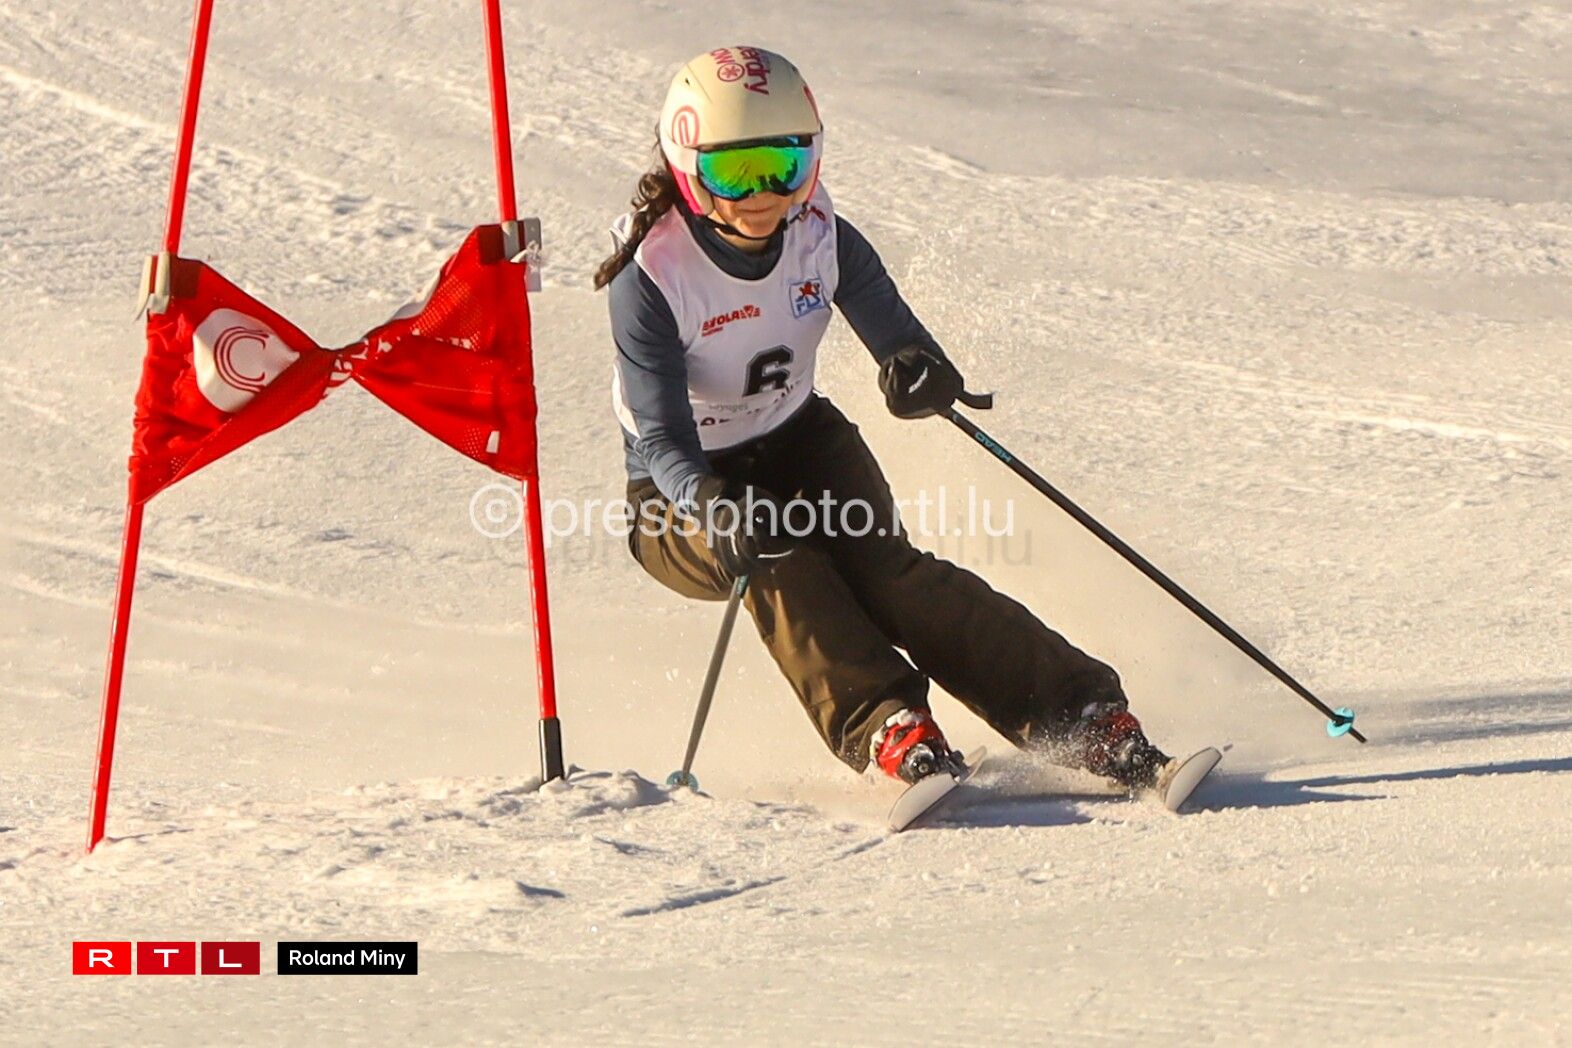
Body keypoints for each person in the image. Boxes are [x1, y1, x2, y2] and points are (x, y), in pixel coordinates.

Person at [598, 45, 1173, 789]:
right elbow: (662, 438)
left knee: (890, 575)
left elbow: (896, 333)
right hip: (676, 495)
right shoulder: (654, 274)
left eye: (785, 164)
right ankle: (889, 728)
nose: (765, 193)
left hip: (800, 444)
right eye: (735, 171)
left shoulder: (820, 233)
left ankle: (1081, 716)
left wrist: (918, 370)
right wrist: (712, 503)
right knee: (776, 555)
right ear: (688, 168)